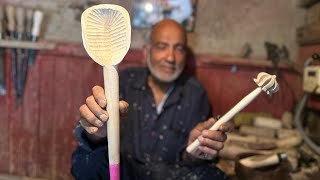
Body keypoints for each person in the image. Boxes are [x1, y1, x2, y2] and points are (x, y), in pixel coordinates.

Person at [71, 19, 230, 180]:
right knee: (87, 161)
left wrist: (196, 149)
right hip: (124, 173)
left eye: (179, 48)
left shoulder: (195, 93)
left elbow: (189, 160)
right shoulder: (124, 81)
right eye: (162, 46)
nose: (170, 57)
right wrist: (96, 134)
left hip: (170, 176)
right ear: (146, 52)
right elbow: (96, 140)